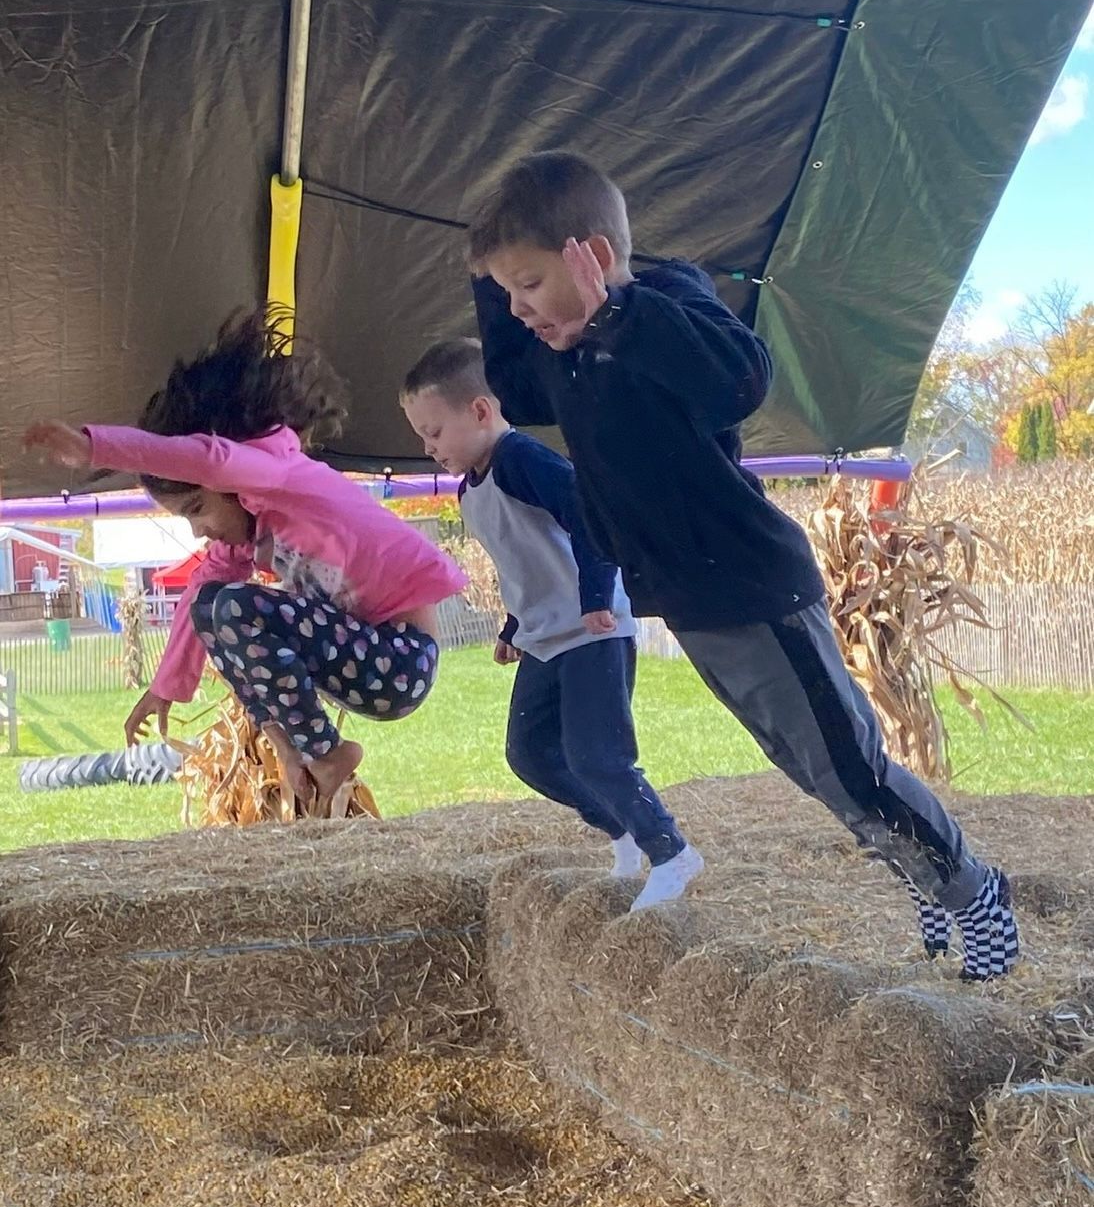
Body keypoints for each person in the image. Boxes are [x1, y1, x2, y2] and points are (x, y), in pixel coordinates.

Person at [467, 150, 1019, 980]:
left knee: (851, 768)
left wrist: (617, 311)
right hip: (696, 601)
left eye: (531, 285)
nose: (519, 310)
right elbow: (514, 386)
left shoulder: (663, 309)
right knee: (813, 771)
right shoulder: (566, 357)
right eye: (506, 292)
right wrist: (490, 265)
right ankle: (930, 881)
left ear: (598, 259)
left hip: (755, 585)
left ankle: (975, 889)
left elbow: (740, 379)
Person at [25, 309, 466, 804]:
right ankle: (292, 750)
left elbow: (209, 460)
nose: (198, 530)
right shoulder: (247, 536)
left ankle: (327, 753)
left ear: (225, 485)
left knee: (238, 607)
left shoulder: (276, 475)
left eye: (197, 509)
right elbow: (199, 604)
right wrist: (165, 687)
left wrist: (95, 448)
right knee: (214, 603)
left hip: (400, 660)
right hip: (361, 657)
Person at [401, 336, 702, 910]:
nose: (428, 446)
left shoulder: (521, 460)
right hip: (546, 637)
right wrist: (514, 626)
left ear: (481, 411)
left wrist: (595, 595)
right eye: (421, 435)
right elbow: (526, 561)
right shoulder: (473, 490)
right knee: (531, 754)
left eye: (434, 432)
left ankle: (671, 851)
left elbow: (591, 516)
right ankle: (621, 829)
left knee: (598, 754)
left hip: (592, 628)